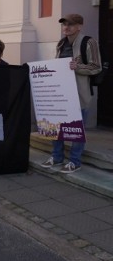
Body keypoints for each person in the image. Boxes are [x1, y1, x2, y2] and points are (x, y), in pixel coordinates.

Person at [42, 14, 102, 174]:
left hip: (79, 93)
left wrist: (78, 67)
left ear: (79, 26)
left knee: (76, 130)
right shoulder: (61, 43)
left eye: (70, 24)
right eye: (64, 24)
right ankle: (57, 157)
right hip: (61, 93)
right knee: (56, 126)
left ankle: (75, 161)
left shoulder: (89, 42)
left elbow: (96, 66)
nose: (66, 27)